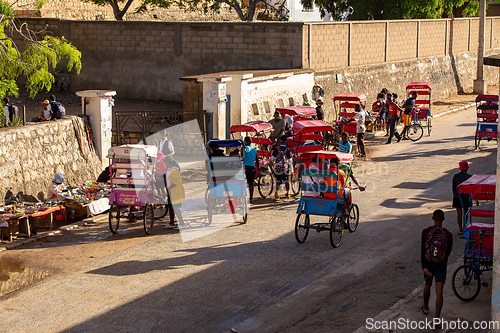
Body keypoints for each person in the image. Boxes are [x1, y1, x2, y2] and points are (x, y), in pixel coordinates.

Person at [421, 209, 453, 324]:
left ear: (432, 218)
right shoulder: (448, 235)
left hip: (428, 264)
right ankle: (436, 318)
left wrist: (424, 266)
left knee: (427, 285)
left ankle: (425, 307)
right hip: (441, 265)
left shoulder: (425, 232)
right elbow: (448, 252)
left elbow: (423, 250)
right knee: (439, 292)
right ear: (443, 219)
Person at [163, 156, 186, 229]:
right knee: (170, 207)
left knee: (175, 208)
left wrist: (169, 187)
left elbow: (175, 182)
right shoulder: (171, 169)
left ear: (168, 162)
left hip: (175, 192)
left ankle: (182, 224)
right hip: (171, 192)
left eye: (165, 163)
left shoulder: (174, 170)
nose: (165, 164)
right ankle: (171, 222)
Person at [452, 160, 472, 235]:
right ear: (467, 168)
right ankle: (464, 227)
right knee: (466, 212)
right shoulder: (469, 177)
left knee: (459, 213)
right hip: (466, 197)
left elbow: (453, 187)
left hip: (457, 196)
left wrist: (454, 195)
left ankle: (460, 229)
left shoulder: (456, 176)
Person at [271, 135, 293, 201]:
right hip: (284, 168)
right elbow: (290, 161)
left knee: (278, 181)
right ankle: (287, 193)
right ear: (286, 142)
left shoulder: (276, 149)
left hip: (277, 168)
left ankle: (276, 194)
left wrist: (274, 163)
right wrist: (291, 170)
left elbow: (272, 158)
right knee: (286, 181)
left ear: (280, 141)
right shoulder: (288, 150)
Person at [243, 137, 258, 202]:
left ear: (245, 142)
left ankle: (243, 198)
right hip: (252, 167)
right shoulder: (254, 150)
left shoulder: (244, 149)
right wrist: (258, 169)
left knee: (243, 183)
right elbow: (257, 160)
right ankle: (251, 198)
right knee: (251, 184)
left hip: (244, 168)